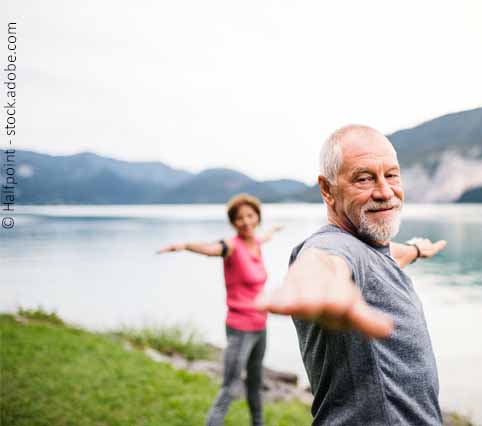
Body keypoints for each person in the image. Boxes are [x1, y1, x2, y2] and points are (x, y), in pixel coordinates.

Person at [256, 125, 447, 426]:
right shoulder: (333, 246)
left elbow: (388, 255)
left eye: (392, 175)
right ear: (327, 189)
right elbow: (323, 262)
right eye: (364, 178)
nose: (385, 192)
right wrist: (315, 285)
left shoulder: (371, 249)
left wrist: (417, 249)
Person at [157, 194, 282, 426]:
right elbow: (210, 249)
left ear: (257, 217)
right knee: (230, 387)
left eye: (250, 216)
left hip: (260, 326)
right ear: (233, 222)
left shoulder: (255, 241)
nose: (245, 221)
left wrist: (274, 230)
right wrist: (185, 246)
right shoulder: (231, 246)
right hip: (240, 328)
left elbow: (265, 236)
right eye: (239, 218)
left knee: (255, 385)